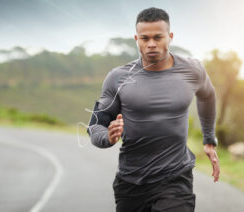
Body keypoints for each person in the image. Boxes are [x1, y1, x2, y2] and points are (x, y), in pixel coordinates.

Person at [87, 7, 220, 212]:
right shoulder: (118, 78)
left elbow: (208, 96)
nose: (151, 44)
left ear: (170, 37)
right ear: (136, 39)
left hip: (175, 178)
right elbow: (95, 126)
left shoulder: (192, 70)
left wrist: (209, 138)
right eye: (144, 38)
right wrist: (108, 137)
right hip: (130, 182)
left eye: (158, 37)